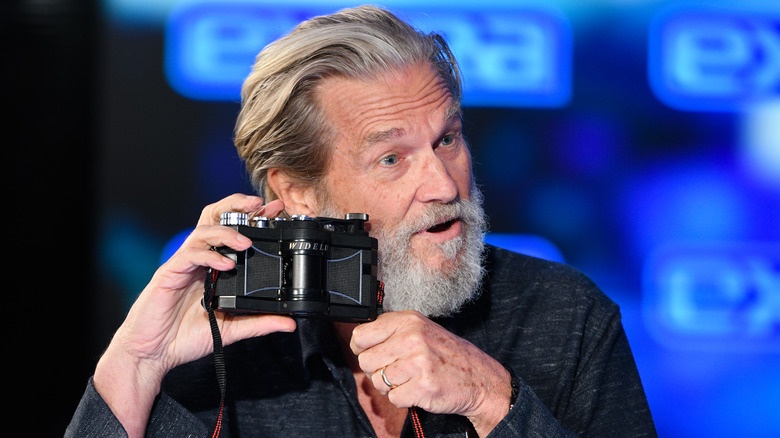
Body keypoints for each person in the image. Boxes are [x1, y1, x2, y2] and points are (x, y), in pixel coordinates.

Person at [67, 5, 656, 437]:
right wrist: (137, 362)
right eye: (392, 158)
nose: (445, 184)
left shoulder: (566, 316)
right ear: (296, 193)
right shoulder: (224, 353)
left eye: (447, 138)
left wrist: (492, 401)